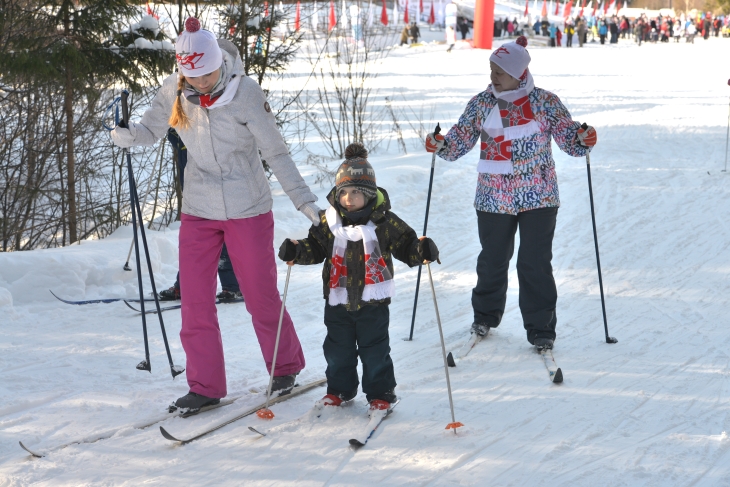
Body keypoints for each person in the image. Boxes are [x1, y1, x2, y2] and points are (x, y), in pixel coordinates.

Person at [111, 18, 322, 412]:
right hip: (199, 207)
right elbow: (150, 130)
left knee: (259, 293)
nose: (202, 82)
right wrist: (129, 136)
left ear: (218, 63)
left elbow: (276, 153)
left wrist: (304, 201)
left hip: (247, 207)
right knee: (194, 299)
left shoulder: (245, 93)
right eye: (193, 75)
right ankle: (206, 385)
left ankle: (285, 366)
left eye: (207, 72)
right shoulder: (174, 91)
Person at [423, 36, 597, 350]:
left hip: (539, 196)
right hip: (493, 197)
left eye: (499, 71)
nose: (493, 76)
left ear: (518, 73)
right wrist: (441, 144)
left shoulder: (545, 102)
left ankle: (541, 327)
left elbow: (570, 139)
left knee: (534, 263)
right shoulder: (482, 103)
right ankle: (485, 315)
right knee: (492, 260)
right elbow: (460, 138)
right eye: (491, 69)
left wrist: (583, 138)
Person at [278, 144, 439, 411]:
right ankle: (340, 390)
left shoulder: (384, 222)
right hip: (337, 300)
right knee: (337, 350)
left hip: (372, 304)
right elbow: (315, 247)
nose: (348, 198)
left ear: (369, 193)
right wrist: (297, 250)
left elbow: (406, 244)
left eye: (356, 192)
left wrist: (420, 250)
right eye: (343, 192)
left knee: (375, 352)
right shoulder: (328, 222)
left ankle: (381, 394)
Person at [158, 129, 243, 302]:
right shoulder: (180, 129)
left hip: (218, 191)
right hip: (192, 193)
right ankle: (186, 286)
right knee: (193, 243)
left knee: (219, 236)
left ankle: (233, 286)